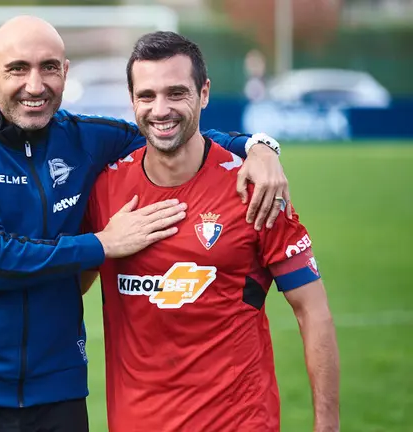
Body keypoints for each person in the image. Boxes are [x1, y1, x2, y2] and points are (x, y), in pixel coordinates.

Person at [0, 15, 290, 432]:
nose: (35, 85)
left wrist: (258, 146)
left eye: (49, 68)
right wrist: (100, 245)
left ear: (65, 72)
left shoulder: (85, 139)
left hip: (58, 391)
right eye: (17, 69)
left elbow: (169, 128)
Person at [81, 31, 339, 432]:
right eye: (146, 95)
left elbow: (313, 310)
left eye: (176, 93)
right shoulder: (105, 189)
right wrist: (100, 244)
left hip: (238, 422)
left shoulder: (255, 188)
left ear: (204, 93)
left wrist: (328, 426)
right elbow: (72, 285)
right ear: (132, 100)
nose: (160, 109)